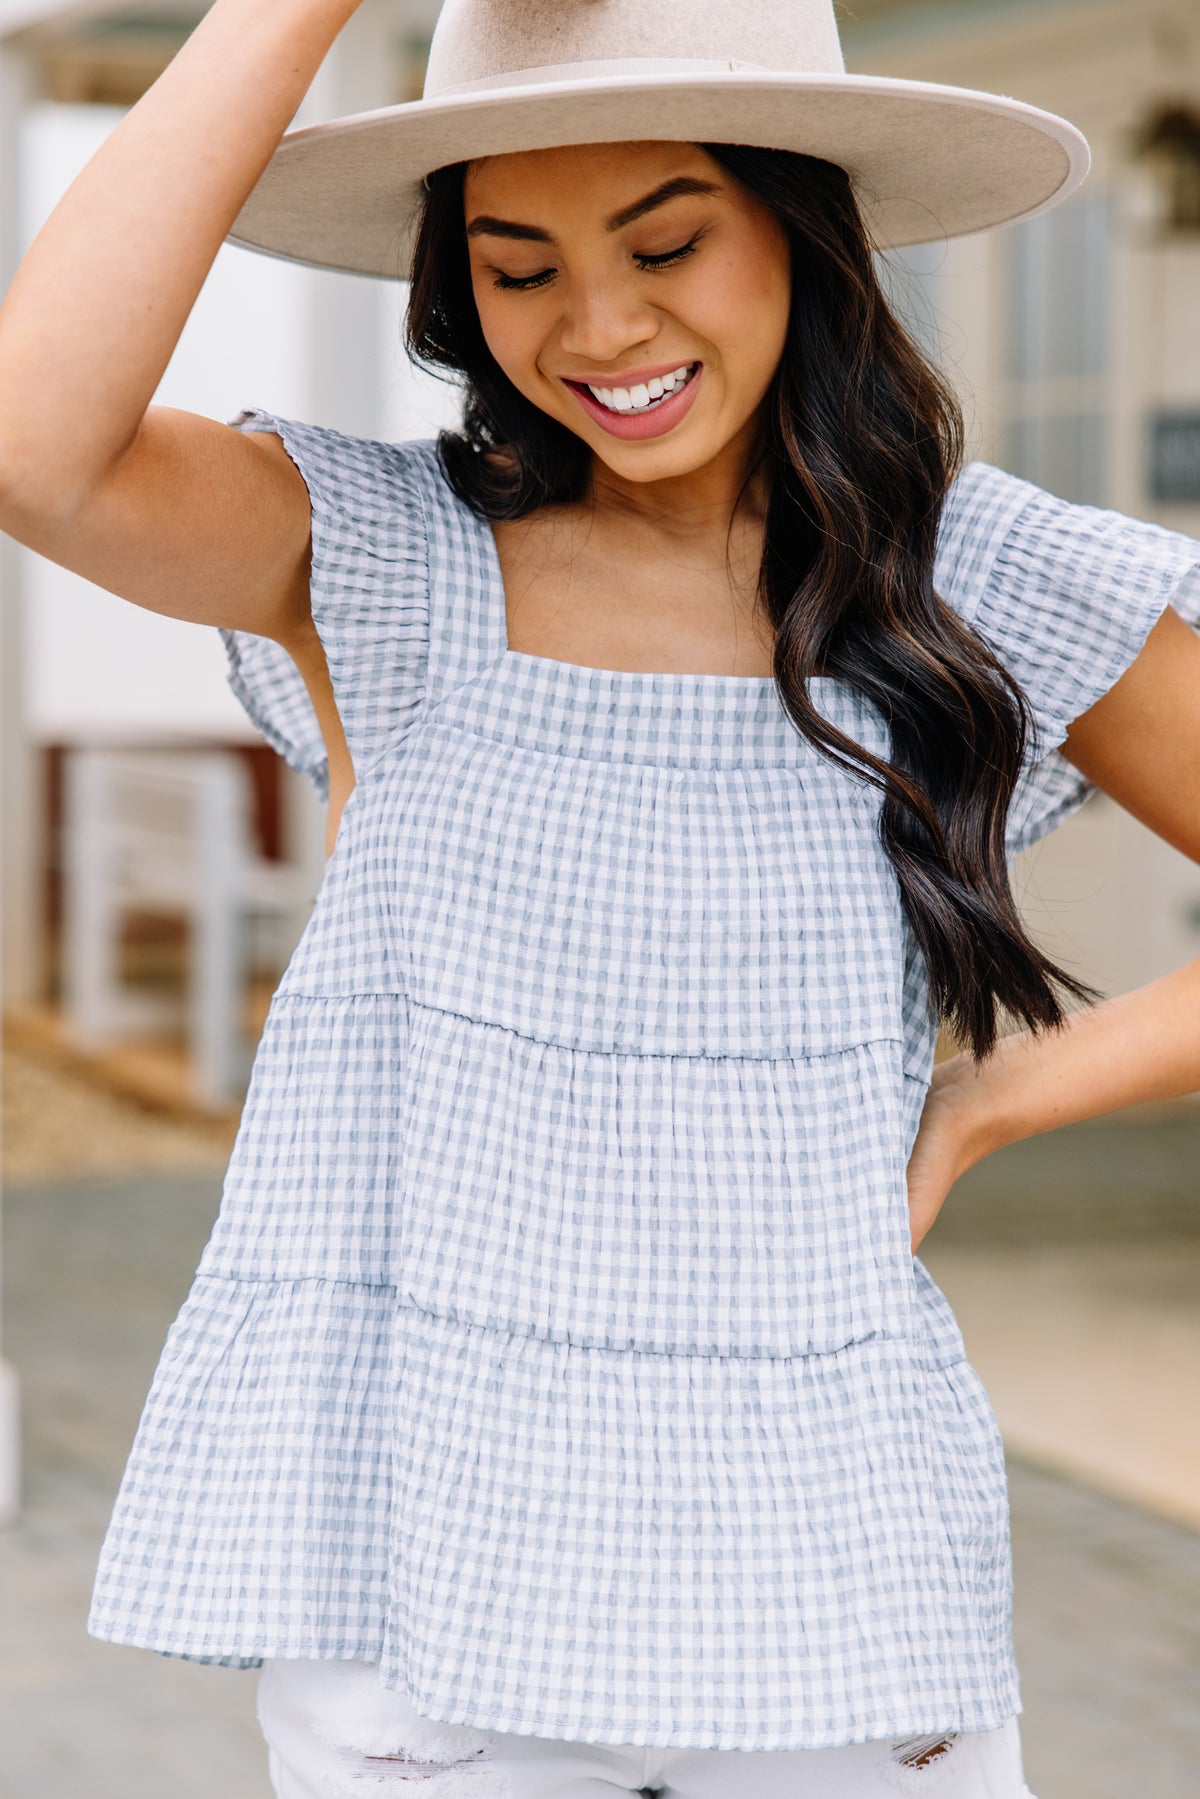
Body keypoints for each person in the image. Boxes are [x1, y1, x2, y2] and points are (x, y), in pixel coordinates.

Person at [1, 0, 1198, 1794]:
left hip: (834, 1592)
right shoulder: (380, 555)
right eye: (516, 266)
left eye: (668, 240)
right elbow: (36, 450)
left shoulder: (983, 576)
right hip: (427, 1605)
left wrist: (995, 1098)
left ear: (801, 226)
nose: (603, 327)